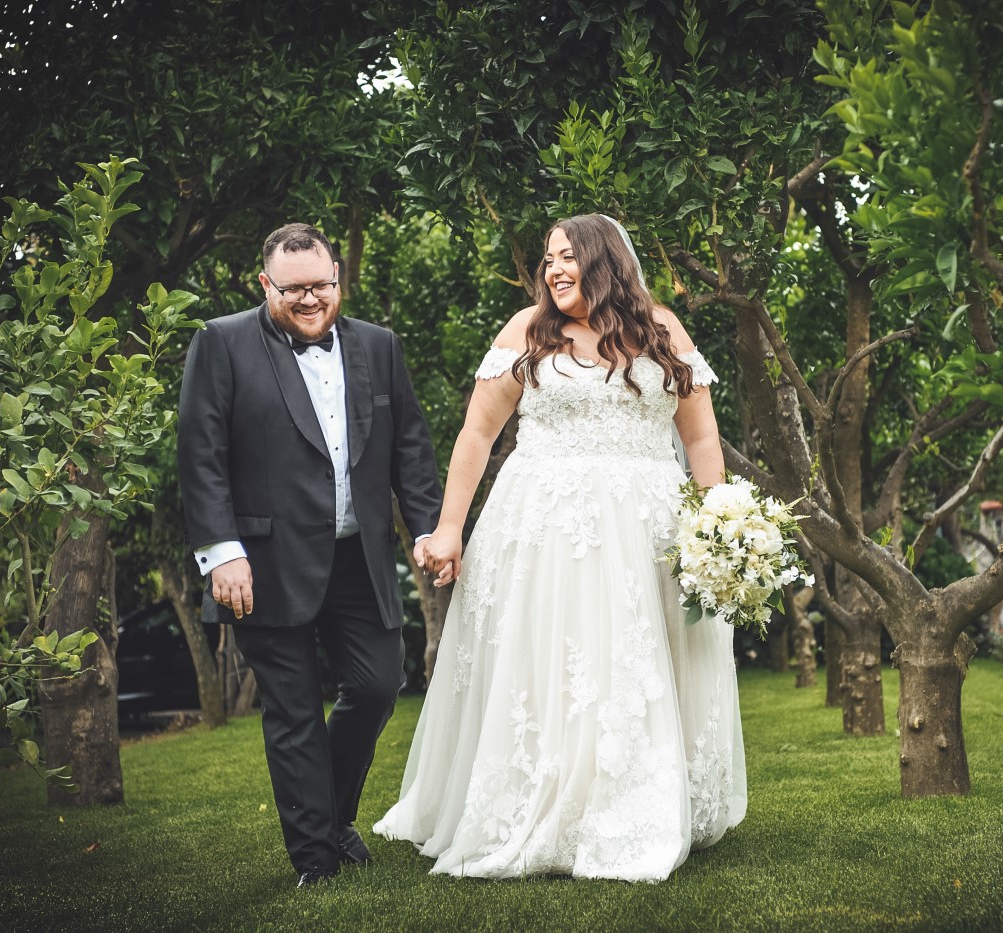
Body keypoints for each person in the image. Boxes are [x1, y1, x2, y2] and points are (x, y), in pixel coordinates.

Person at [374, 214, 746, 881]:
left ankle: (633, 807)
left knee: (631, 665)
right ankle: (540, 804)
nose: (552, 270)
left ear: (604, 260)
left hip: (645, 532)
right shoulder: (527, 330)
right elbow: (477, 434)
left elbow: (700, 438)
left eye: (566, 256)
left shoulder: (662, 330)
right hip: (545, 532)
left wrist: (714, 520)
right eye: (547, 259)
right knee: (553, 668)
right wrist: (450, 527)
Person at [177, 223, 442, 888]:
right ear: (265, 284)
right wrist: (220, 552)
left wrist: (430, 529)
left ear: (337, 280)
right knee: (293, 710)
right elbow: (200, 455)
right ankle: (316, 861)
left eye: (320, 285)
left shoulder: (379, 347)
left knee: (379, 686)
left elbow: (410, 445)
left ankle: (329, 815)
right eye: (292, 288)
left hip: (362, 559)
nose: (309, 299)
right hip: (262, 565)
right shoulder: (221, 342)